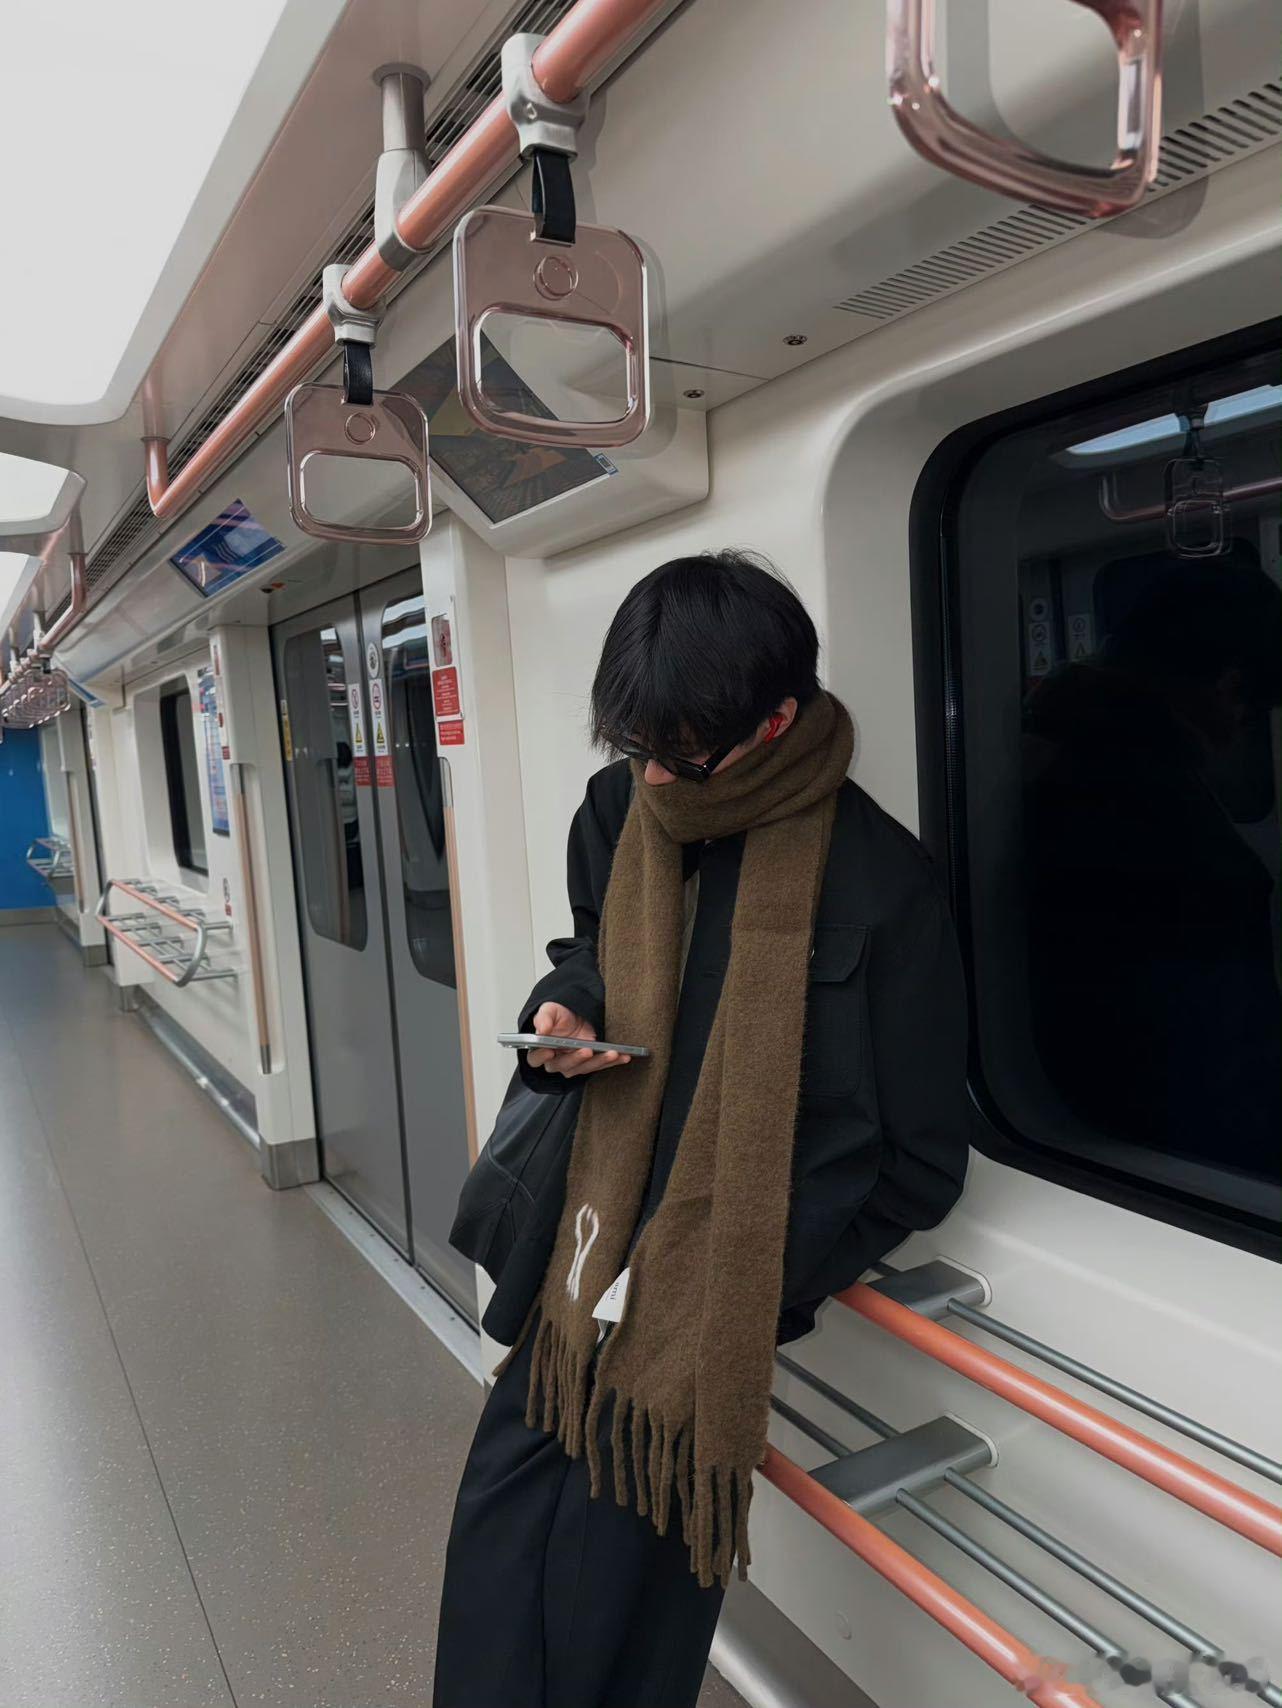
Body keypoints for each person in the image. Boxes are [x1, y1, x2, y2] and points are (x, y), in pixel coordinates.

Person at [433, 550, 969, 1708]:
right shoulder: (620, 812)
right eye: (634, 745)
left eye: (678, 754)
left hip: (713, 1301)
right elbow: (588, 947)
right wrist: (566, 1008)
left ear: (773, 721)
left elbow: (919, 1161)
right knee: (498, 1553)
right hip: (580, 1266)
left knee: (616, 1618)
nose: (653, 777)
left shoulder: (881, 883)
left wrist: (750, 1281)